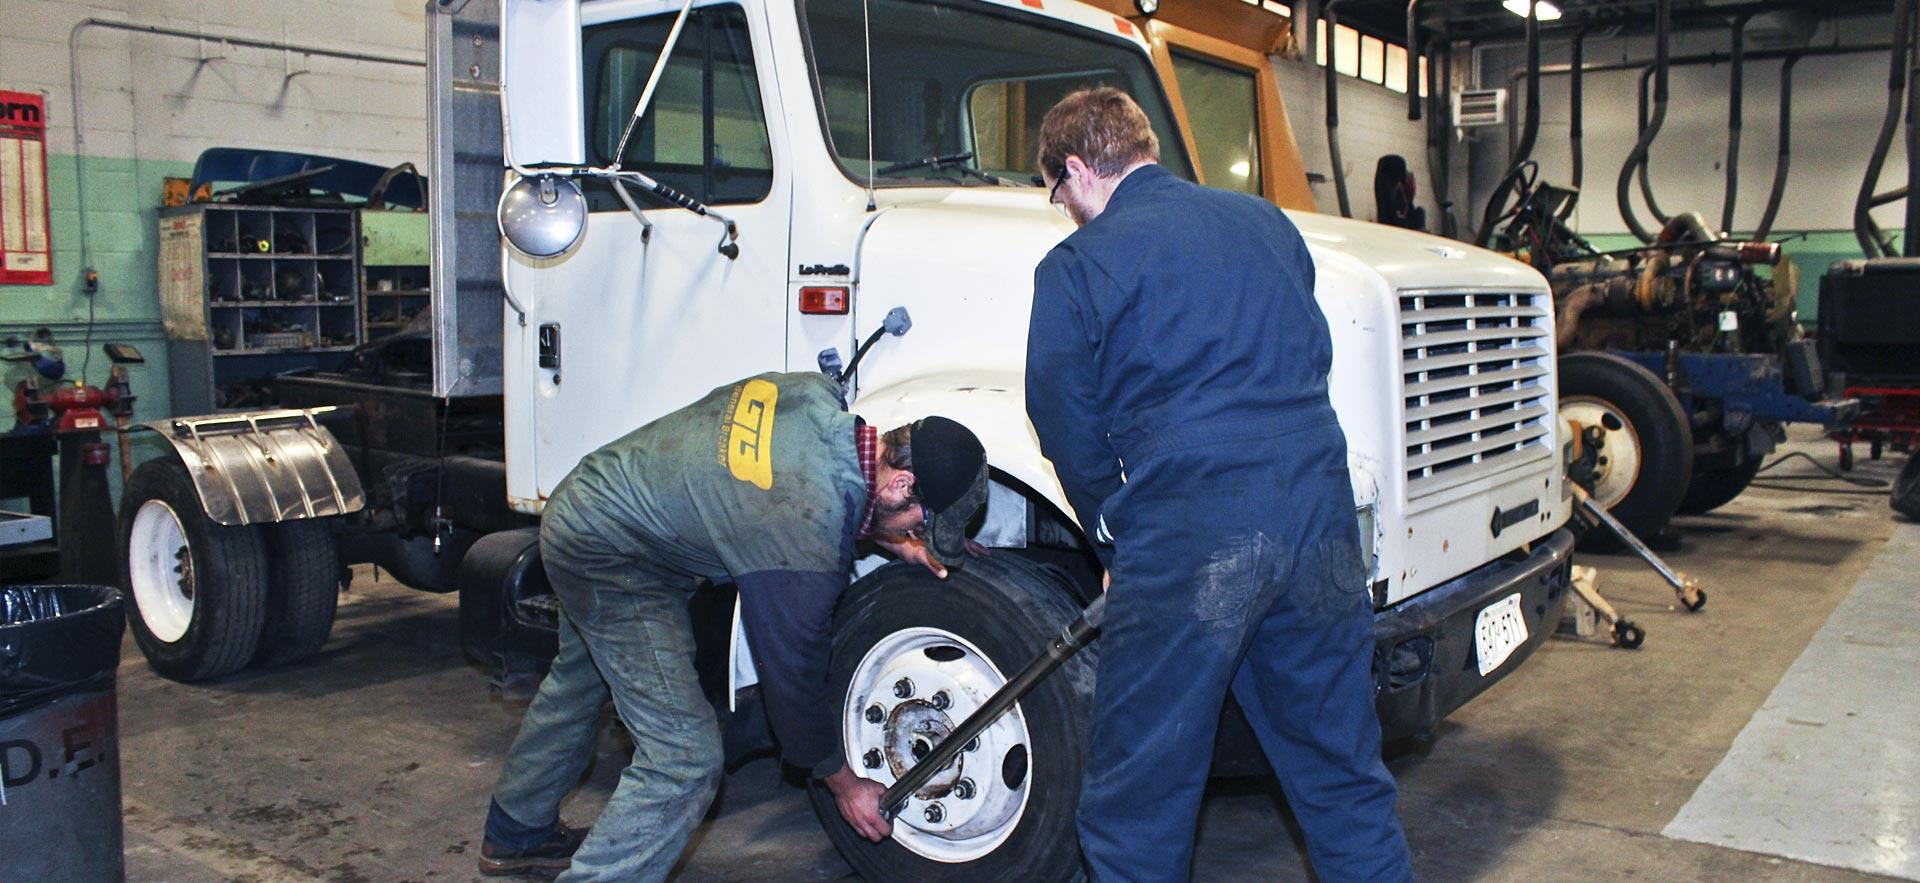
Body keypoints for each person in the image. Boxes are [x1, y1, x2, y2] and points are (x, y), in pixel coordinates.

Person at [1026, 87, 1414, 882]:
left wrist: (1112, 528)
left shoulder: (1076, 266)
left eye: (1057, 193)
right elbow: (1305, 350)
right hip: (1317, 511)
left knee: (1140, 795)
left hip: (1194, 527)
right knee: (1340, 770)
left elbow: (1060, 413)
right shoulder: (1266, 223)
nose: (1062, 210)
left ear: (1075, 170)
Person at [478, 370, 989, 880]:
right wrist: (844, 782)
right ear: (901, 483)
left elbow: (806, 491)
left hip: (591, 499)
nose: (915, 534)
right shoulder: (802, 535)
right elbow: (791, 682)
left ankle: (515, 833)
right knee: (684, 759)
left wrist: (896, 539)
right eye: (919, 525)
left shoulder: (814, 396)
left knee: (579, 681)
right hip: (611, 557)